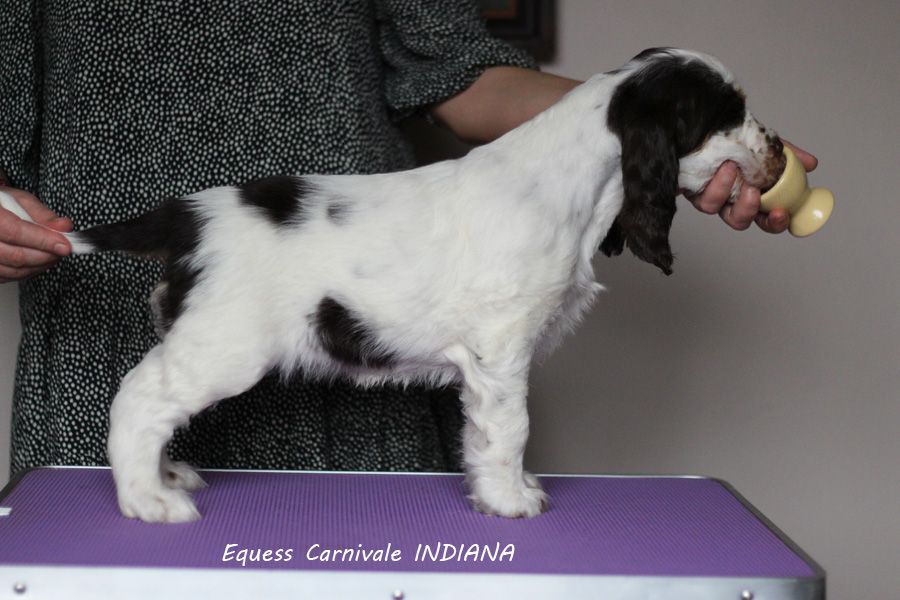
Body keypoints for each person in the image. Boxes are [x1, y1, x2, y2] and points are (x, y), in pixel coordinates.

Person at [0, 1, 817, 477]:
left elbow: (465, 72)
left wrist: (650, 129)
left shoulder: (637, 126)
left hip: (377, 313)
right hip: (114, 320)